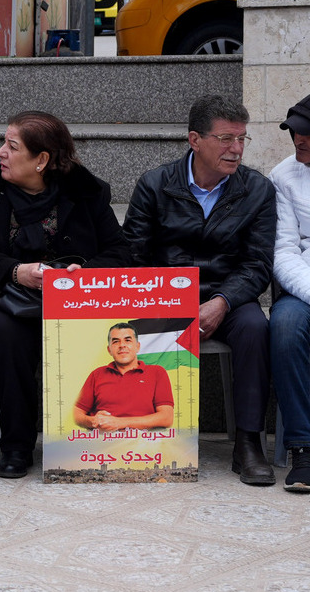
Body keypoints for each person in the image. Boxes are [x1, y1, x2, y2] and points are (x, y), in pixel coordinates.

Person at [0, 110, 129, 479]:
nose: (0, 152)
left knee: (91, 331)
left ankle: (86, 442)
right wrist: (16, 271)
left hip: (72, 300)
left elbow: (118, 251)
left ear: (41, 160)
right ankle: (16, 445)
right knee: (3, 333)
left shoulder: (88, 192)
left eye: (11, 146)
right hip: (6, 297)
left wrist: (81, 276)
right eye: (4, 143)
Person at [123, 95, 275, 486]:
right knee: (127, 330)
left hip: (228, 295)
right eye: (226, 139)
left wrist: (221, 302)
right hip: (165, 295)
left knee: (255, 327)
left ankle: (248, 443)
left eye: (242, 139)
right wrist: (168, 300)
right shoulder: (156, 185)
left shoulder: (256, 189)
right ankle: (148, 442)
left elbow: (257, 264)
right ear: (194, 139)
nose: (236, 150)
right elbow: (134, 257)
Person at [268, 95, 310, 492]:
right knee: (284, 325)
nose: (300, 139)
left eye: (308, 133)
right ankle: (304, 448)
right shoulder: (282, 177)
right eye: (295, 132)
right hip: (303, 284)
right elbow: (282, 251)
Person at [73, 323, 174, 432]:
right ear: (109, 350)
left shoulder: (157, 372)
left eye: (128, 340)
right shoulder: (97, 375)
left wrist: (119, 422)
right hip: (103, 441)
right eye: (116, 341)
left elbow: (166, 417)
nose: (122, 345)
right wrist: (93, 421)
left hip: (144, 441)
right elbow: (76, 413)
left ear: (137, 346)